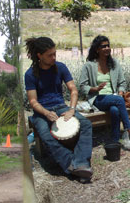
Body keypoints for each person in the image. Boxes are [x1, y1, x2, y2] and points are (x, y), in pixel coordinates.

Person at [24, 37, 93, 183]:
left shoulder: (60, 67)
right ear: (39, 56)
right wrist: (46, 113)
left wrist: (72, 109)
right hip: (41, 112)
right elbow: (33, 101)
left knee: (85, 124)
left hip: (62, 107)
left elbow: (73, 90)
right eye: (50, 55)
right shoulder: (30, 75)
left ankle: (80, 163)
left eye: (55, 53)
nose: (54, 57)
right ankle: (71, 164)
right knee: (46, 135)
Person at [78, 35, 130, 149]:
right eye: (103, 46)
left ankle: (114, 143)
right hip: (97, 98)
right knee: (118, 101)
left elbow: (122, 83)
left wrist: (120, 92)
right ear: (97, 49)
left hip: (113, 98)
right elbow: (82, 86)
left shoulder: (114, 64)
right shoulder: (89, 65)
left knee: (114, 110)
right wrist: (95, 89)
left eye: (108, 46)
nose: (107, 48)